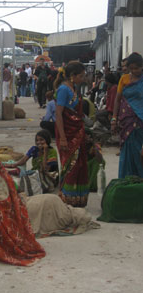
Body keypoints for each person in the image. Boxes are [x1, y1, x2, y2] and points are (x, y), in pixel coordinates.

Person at [55, 61, 89, 207]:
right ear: (72, 76)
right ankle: (67, 198)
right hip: (67, 133)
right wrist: (62, 138)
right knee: (71, 165)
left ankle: (77, 197)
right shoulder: (63, 89)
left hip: (77, 131)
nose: (83, 79)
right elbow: (58, 114)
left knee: (80, 164)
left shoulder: (73, 88)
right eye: (81, 76)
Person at [111, 52, 143, 178]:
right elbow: (117, 100)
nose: (135, 71)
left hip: (141, 122)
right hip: (127, 122)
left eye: (138, 68)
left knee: (139, 153)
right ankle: (126, 182)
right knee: (127, 152)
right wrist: (114, 119)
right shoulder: (124, 79)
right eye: (132, 68)